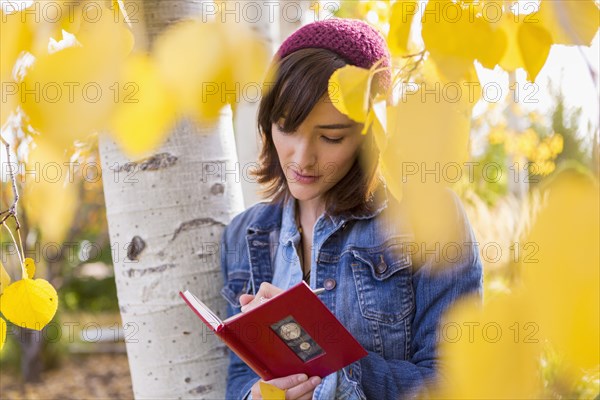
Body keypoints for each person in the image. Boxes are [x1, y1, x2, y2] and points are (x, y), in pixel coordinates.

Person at [219, 18, 483, 400]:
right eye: (285, 128)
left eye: (331, 137)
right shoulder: (245, 234)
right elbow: (238, 379)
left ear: (370, 136)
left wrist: (329, 367)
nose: (302, 158)